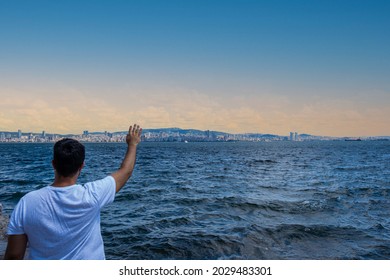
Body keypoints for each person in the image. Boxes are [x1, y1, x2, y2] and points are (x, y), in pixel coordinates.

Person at [4, 124, 142, 260]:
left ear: (53, 164)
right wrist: (132, 144)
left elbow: (14, 255)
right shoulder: (92, 195)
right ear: (81, 166)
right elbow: (126, 171)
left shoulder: (27, 202)